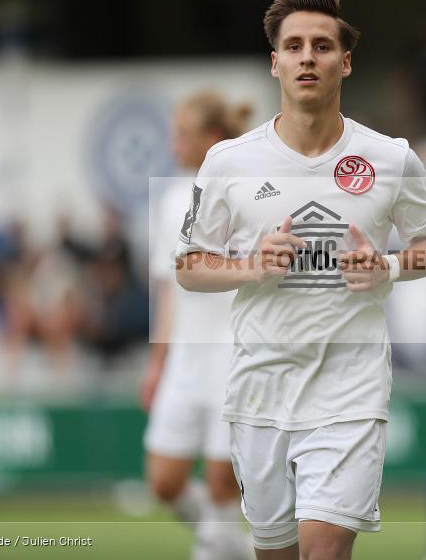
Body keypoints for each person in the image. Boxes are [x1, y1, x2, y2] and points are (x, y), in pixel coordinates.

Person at [175, 0, 426, 560]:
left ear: (343, 62)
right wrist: (251, 266)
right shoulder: (228, 161)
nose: (307, 56)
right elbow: (189, 267)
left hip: (350, 390)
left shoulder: (390, 157)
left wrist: (391, 266)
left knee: (322, 553)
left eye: (321, 46)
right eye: (293, 45)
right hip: (260, 390)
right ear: (275, 62)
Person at [141, 92, 253, 560]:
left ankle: (220, 543)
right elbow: (170, 291)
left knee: (221, 487)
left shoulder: (250, 194)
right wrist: (158, 362)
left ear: (211, 140)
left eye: (181, 136)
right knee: (163, 482)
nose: (172, 146)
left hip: (234, 359)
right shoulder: (171, 203)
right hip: (187, 359)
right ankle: (235, 546)